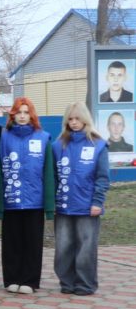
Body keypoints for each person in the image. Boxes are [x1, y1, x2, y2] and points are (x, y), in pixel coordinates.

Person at [0, 97, 55, 295]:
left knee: (33, 243)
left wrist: (49, 203)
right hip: (11, 200)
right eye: (19, 113)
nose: (22, 116)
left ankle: (30, 281)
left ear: (32, 115)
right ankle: (12, 278)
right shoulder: (3, 137)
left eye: (26, 113)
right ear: (13, 115)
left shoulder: (43, 138)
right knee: (12, 242)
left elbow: (48, 173)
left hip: (35, 201)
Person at [53, 102, 110, 296]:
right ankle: (67, 282)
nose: (74, 123)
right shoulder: (58, 145)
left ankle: (85, 284)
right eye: (70, 119)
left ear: (85, 119)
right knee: (63, 247)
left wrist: (97, 202)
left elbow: (102, 177)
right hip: (63, 206)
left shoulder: (98, 144)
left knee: (86, 247)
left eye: (78, 119)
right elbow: (53, 177)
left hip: (87, 207)